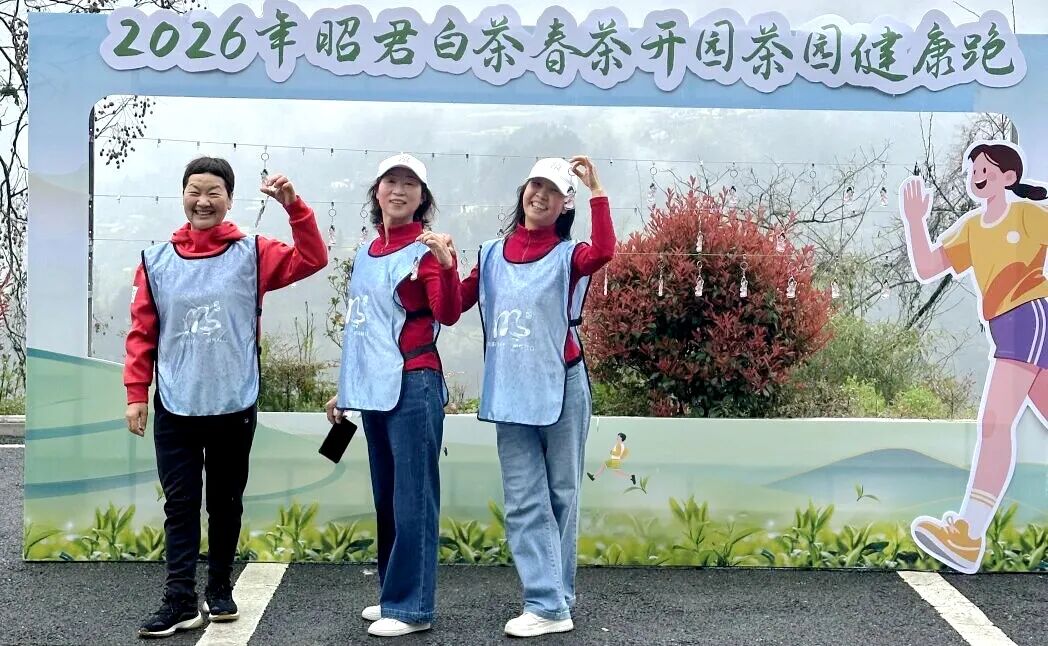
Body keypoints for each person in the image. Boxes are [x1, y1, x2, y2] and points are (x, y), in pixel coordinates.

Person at [125, 157, 328, 638]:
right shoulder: (156, 261)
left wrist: (294, 206)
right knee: (180, 504)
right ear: (182, 196)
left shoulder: (252, 253)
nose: (203, 201)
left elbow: (313, 258)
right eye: (194, 191)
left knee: (225, 501)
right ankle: (179, 600)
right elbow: (141, 332)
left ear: (230, 200)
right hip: (175, 402)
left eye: (213, 192)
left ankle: (218, 589)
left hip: (234, 402)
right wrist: (136, 392)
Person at [460, 155, 613, 637]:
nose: (540, 196)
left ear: (565, 204)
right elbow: (453, 304)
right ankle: (548, 601)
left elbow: (604, 251)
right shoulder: (491, 254)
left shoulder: (570, 255)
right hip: (510, 390)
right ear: (523, 191)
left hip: (563, 382)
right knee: (524, 499)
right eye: (535, 186)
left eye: (553, 190)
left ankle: (554, 600)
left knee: (562, 493)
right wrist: (438, 265)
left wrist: (597, 190)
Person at [324, 153, 461, 638]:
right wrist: (346, 390)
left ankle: (412, 607)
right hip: (375, 391)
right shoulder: (367, 252)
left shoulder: (427, 251)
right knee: (387, 497)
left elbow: (448, 312)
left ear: (422, 198)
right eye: (391, 182)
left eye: (410, 184)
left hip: (413, 383)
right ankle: (392, 594)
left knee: (413, 499)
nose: (399, 190)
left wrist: (447, 266)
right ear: (376, 192)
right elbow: (362, 329)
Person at [902, 141, 1048, 574]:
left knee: (995, 422)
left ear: (1008, 177)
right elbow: (928, 266)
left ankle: (968, 534)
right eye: (973, 169)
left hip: (1029, 317)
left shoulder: (1027, 215)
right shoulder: (971, 227)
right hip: (1006, 325)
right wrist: (915, 220)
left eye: (986, 168)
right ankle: (968, 534)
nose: (977, 175)